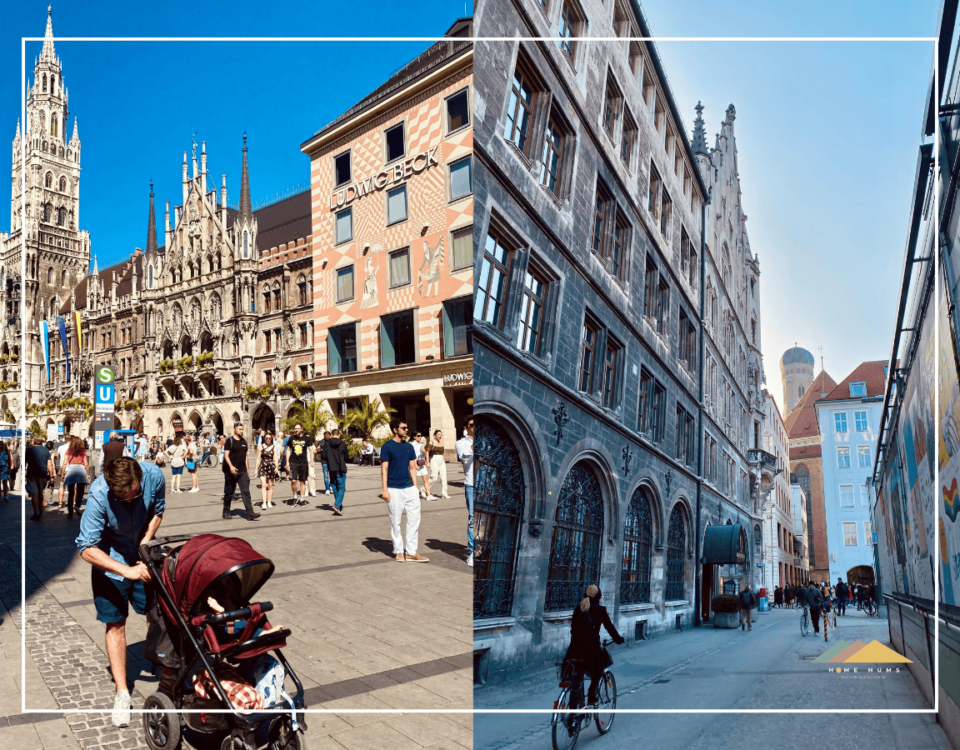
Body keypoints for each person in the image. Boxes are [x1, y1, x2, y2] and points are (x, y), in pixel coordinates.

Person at [76, 457, 164, 728]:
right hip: (109, 558)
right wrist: (126, 571)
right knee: (115, 625)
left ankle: (160, 661)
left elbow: (158, 511)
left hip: (141, 553)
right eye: (121, 496)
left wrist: (145, 544)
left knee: (157, 613)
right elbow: (86, 547)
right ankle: (122, 693)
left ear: (139, 477)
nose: (128, 499)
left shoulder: (154, 476)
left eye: (133, 494)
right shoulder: (100, 493)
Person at [562, 585, 624, 708]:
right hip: (591, 651)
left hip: (574, 650)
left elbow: (573, 630)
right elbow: (609, 627)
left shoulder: (578, 609)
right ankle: (591, 696)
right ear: (598, 596)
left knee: (576, 681)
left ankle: (572, 718)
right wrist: (618, 639)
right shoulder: (600, 610)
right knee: (598, 671)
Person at [380, 418, 428, 563]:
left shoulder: (409, 447)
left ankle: (412, 552)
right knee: (396, 520)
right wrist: (385, 490)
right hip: (394, 489)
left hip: (409, 489)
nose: (406, 430)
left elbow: (412, 467)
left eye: (407, 428)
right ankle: (399, 551)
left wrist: (415, 487)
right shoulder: (387, 446)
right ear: (395, 430)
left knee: (414, 520)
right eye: (403, 428)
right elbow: (384, 469)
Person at [222, 422, 259, 521]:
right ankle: (226, 511)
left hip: (242, 471)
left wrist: (248, 468)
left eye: (242, 429)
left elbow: (245, 455)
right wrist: (231, 466)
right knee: (229, 492)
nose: (241, 431)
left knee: (246, 492)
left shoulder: (244, 441)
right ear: (235, 429)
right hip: (231, 471)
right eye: (239, 429)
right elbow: (226, 455)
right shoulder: (230, 441)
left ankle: (250, 513)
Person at [456, 416, 475, 568]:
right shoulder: (460, 443)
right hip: (471, 485)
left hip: (488, 484)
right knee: (473, 519)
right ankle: (471, 552)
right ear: (466, 427)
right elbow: (464, 459)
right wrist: (475, 446)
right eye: (472, 425)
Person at [61, 436, 90, 519]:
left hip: (71, 470)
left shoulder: (68, 451)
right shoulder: (83, 451)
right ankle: (77, 505)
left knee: (71, 492)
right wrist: (88, 474)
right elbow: (86, 464)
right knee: (80, 491)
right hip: (81, 471)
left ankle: (70, 512)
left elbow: (64, 463)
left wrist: (62, 473)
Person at [285, 423, 313, 507]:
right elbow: (288, 450)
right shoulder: (291, 438)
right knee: (293, 480)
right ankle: (294, 497)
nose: (296, 430)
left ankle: (302, 499)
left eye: (298, 428)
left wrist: (312, 460)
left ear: (301, 429)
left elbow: (311, 450)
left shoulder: (306, 439)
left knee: (302, 481)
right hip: (293, 462)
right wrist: (287, 462)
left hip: (303, 463)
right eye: (295, 428)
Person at [25, 436, 54, 521]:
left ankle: (36, 511)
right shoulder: (46, 451)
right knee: (40, 492)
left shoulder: (29, 450)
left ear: (34, 442)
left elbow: (25, 462)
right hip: (42, 474)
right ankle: (40, 508)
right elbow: (49, 465)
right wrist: (51, 476)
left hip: (32, 474)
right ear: (42, 442)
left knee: (34, 493)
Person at [323, 429, 350, 516]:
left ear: (331, 435)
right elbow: (346, 456)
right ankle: (337, 505)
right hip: (340, 467)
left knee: (334, 485)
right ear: (338, 435)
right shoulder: (342, 443)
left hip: (331, 467)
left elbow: (324, 456)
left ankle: (338, 506)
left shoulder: (327, 443)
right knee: (342, 488)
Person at [255, 433, 280, 510]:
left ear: (271, 439)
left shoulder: (274, 447)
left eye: (269, 438)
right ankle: (264, 503)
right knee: (263, 485)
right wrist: (256, 469)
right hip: (263, 466)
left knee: (270, 485)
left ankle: (269, 502)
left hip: (271, 467)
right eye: (267, 438)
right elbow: (258, 458)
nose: (268, 439)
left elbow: (275, 458)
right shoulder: (261, 447)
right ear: (264, 438)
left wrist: (276, 468)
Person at [411, 432, 435, 501]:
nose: (420, 437)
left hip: (421, 462)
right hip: (414, 463)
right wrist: (415, 465)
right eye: (418, 436)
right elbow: (411, 455)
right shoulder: (412, 444)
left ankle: (428, 495)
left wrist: (427, 461)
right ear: (414, 437)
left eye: (421, 436)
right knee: (414, 480)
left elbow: (425, 453)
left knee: (425, 478)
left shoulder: (421, 444)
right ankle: (414, 495)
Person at [426, 430, 450, 499]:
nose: (440, 436)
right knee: (434, 477)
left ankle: (444, 493)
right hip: (434, 458)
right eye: (438, 434)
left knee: (444, 477)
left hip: (441, 459)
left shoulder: (441, 443)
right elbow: (427, 452)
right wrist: (427, 462)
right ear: (435, 435)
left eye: (441, 434)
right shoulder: (432, 442)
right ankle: (424, 489)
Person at [318, 430, 331, 494]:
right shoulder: (321, 442)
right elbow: (318, 449)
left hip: (331, 460)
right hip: (324, 460)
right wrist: (319, 450)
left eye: (328, 435)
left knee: (332, 475)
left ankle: (331, 486)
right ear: (324, 436)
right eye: (326, 435)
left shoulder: (332, 442)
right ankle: (327, 488)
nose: (327, 436)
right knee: (326, 475)